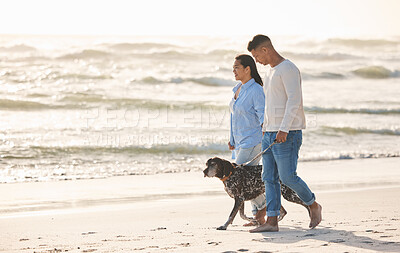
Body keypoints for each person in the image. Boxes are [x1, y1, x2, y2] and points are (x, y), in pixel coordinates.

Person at [247, 35, 322, 232]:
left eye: (256, 56)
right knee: (268, 177)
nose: (257, 61)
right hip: (269, 133)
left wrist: (284, 128)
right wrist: (265, 127)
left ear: (265, 49)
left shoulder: (288, 69)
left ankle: (313, 204)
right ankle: (272, 221)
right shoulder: (271, 72)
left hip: (286, 133)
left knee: (288, 177)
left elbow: (293, 100)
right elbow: (271, 103)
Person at [229, 54, 266, 226]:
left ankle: (264, 209)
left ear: (247, 69)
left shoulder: (256, 90)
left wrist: (269, 138)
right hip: (240, 141)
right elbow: (233, 116)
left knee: (240, 179)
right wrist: (232, 139)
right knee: (246, 180)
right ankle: (259, 214)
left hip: (253, 141)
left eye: (237, 67)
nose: (234, 70)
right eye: (233, 67)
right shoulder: (238, 89)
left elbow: (263, 116)